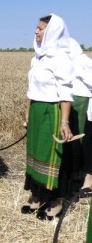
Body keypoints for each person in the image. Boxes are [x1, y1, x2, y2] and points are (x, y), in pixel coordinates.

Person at [21, 14, 74, 220]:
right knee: (35, 154)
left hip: (52, 111)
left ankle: (56, 202)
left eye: (41, 29)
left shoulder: (61, 58)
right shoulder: (38, 57)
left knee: (52, 155)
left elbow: (65, 93)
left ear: (52, 32)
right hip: (36, 110)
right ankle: (38, 196)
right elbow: (31, 89)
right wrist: (28, 111)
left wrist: (64, 121)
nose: (36, 31)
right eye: (36, 28)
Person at [68, 38, 92, 196]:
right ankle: (76, 173)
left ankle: (85, 176)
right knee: (76, 142)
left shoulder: (82, 62)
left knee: (83, 141)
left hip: (82, 102)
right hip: (72, 102)